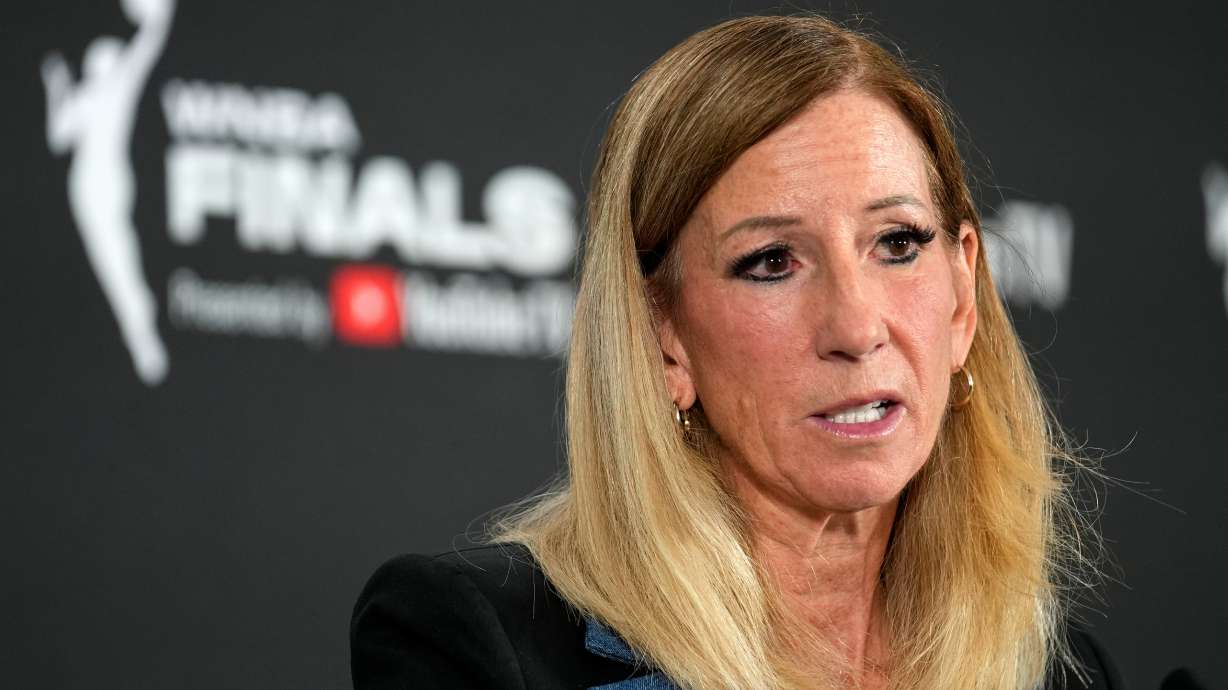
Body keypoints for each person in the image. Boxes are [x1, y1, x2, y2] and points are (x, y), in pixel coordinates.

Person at [352, 14, 1120, 690]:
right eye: (772, 262)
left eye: (896, 243)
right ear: (664, 335)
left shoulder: (1057, 673)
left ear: (961, 296)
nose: (856, 328)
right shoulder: (483, 643)